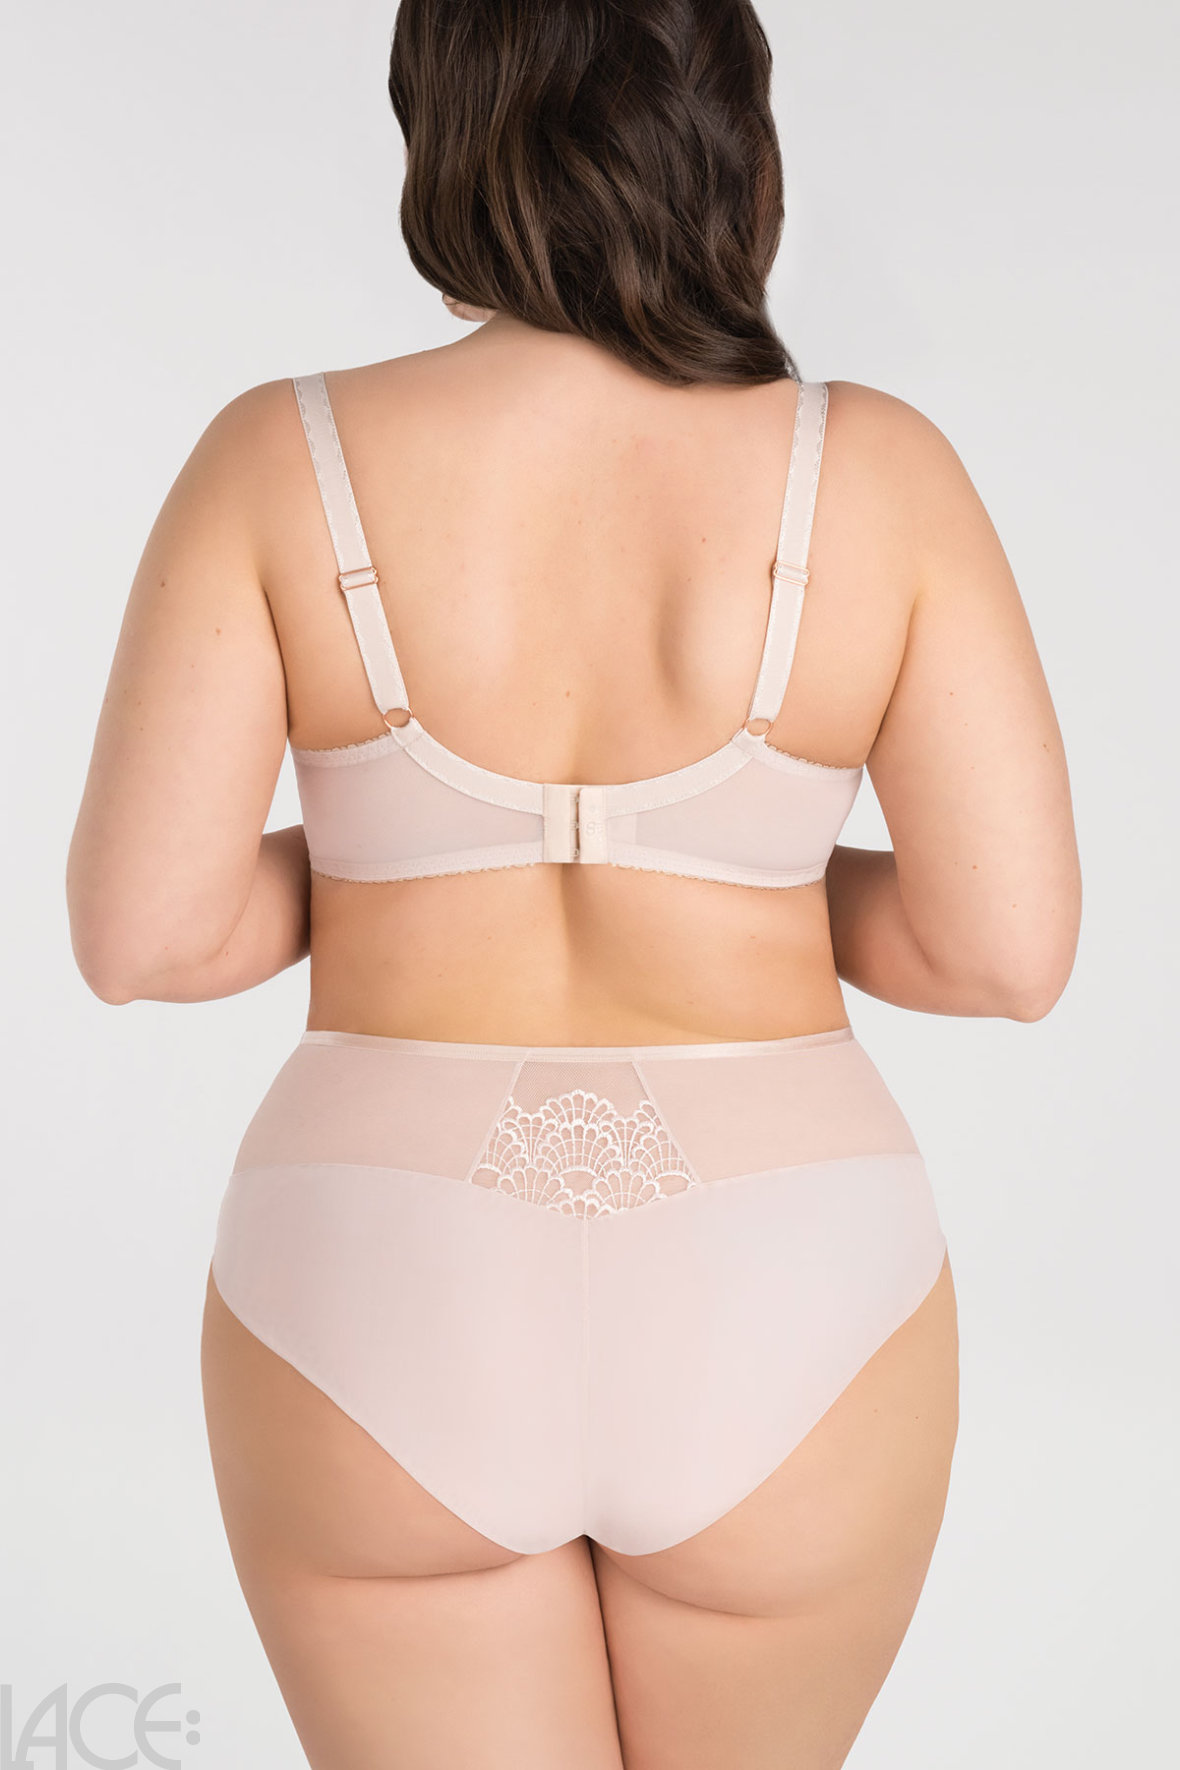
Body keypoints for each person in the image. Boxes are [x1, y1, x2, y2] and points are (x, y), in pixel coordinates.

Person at [65, 2, 1081, 1765]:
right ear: (733, 134)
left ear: (444, 126)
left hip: (384, 1270)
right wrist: (744, 877)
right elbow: (1004, 950)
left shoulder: (278, 457)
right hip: (781, 1269)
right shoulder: (877, 473)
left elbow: (147, 932)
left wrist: (393, 867)